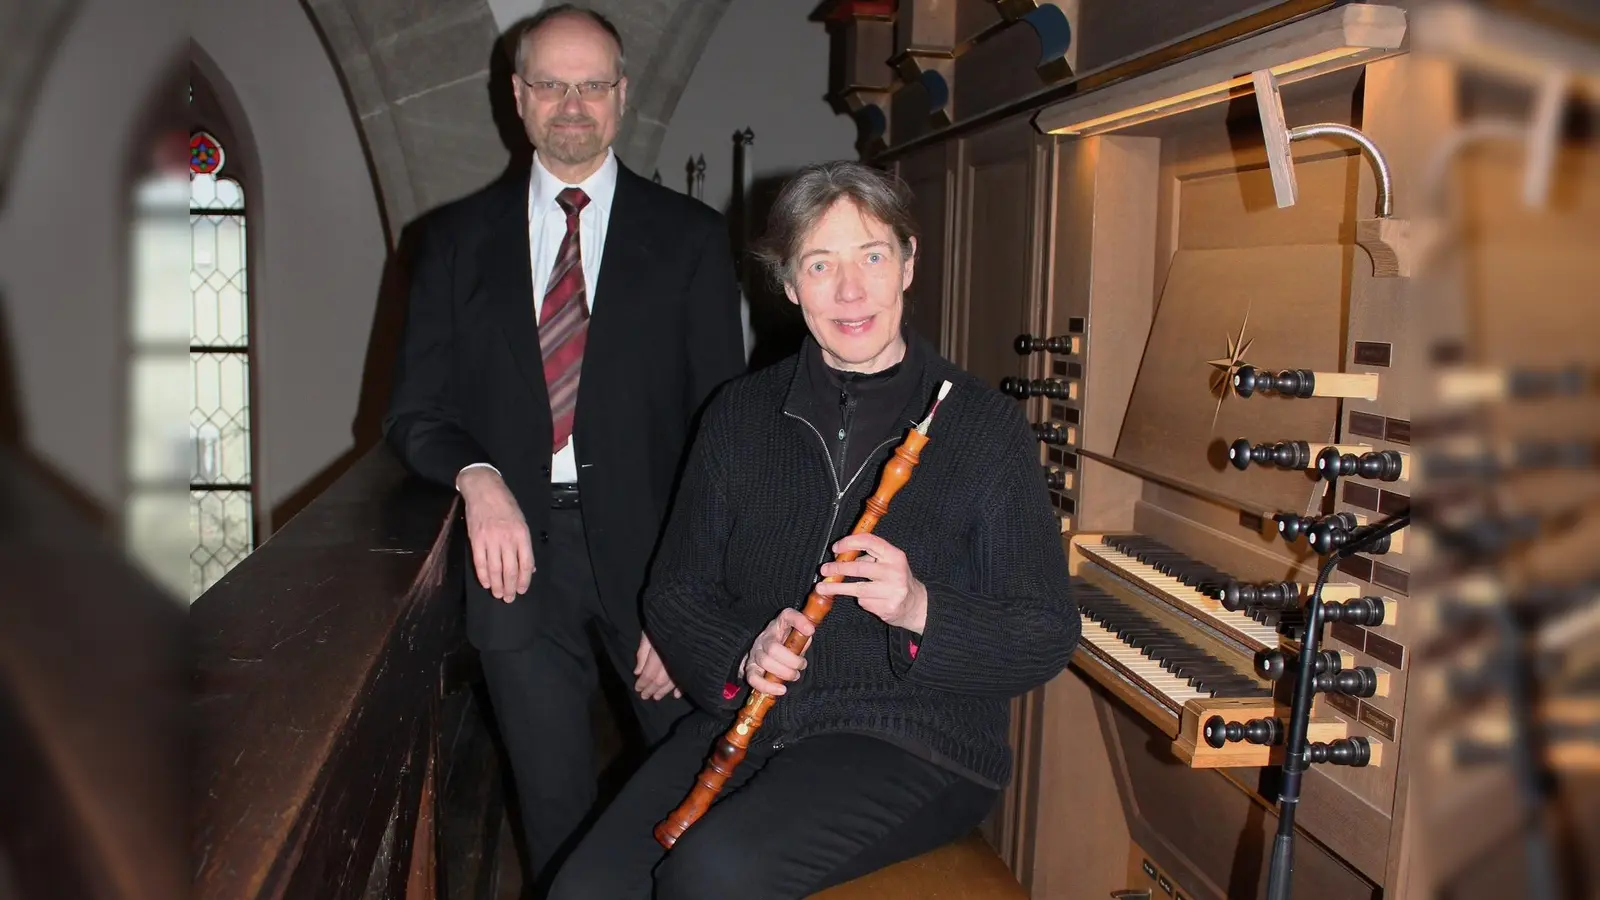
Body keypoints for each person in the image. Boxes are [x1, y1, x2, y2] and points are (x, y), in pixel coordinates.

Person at [546, 161, 1080, 899]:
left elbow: (1046, 629)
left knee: (712, 874)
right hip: (753, 723)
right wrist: (745, 650)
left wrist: (917, 606)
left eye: (872, 256)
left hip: (913, 740)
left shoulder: (983, 430)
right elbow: (677, 590)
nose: (850, 290)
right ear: (790, 284)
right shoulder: (738, 416)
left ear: (908, 264)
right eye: (820, 264)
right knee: (584, 890)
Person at [382, 4, 747, 885]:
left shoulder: (693, 241)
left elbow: (722, 432)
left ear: (622, 95)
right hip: (519, 567)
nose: (572, 102)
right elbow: (415, 413)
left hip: (660, 560)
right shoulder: (452, 244)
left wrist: (688, 600)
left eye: (592, 84)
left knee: (702, 791)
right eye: (551, 82)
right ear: (518, 96)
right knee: (551, 812)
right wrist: (479, 480)